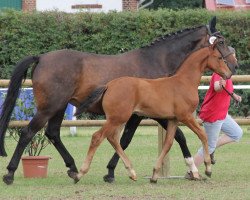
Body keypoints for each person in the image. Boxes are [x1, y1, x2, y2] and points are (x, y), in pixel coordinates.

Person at [187, 46, 243, 179]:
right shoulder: (219, 73)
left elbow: (227, 89)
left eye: (234, 57)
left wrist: (234, 95)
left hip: (222, 114)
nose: (234, 59)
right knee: (209, 145)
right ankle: (191, 171)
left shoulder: (227, 73)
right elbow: (217, 87)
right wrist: (221, 84)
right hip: (213, 114)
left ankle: (211, 150)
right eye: (233, 57)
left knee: (237, 133)